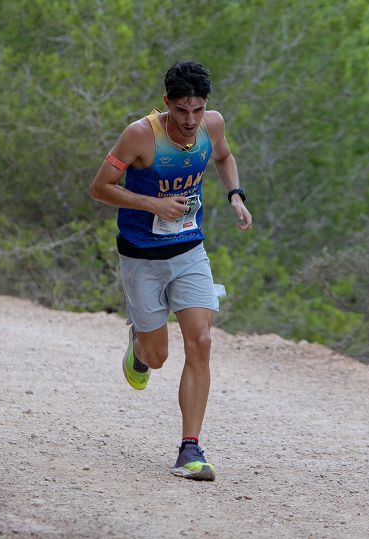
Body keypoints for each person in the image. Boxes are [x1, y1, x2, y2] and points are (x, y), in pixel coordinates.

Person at [88, 60, 252, 481]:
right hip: (141, 256)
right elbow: (100, 187)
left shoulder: (211, 126)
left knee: (201, 340)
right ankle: (139, 348)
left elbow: (224, 155)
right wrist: (153, 205)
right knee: (157, 357)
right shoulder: (141, 135)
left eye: (197, 110)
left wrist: (235, 195)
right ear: (167, 104)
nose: (190, 121)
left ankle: (190, 449)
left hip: (189, 250)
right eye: (181, 111)